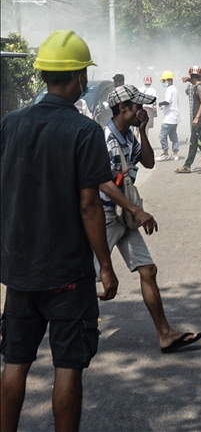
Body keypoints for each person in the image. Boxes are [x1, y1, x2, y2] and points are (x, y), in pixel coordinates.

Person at [0, 30, 118, 432]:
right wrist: (105, 264)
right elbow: (89, 205)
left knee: (15, 362)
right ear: (79, 77)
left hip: (19, 270)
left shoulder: (10, 124)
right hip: (66, 273)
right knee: (67, 365)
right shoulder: (85, 132)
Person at [97, 85, 201, 352]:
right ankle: (33, 318)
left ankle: (165, 334)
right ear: (124, 108)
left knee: (148, 270)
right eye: (137, 107)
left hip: (125, 217)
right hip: (107, 217)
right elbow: (104, 184)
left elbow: (148, 163)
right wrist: (138, 211)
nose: (142, 111)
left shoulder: (128, 137)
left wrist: (143, 132)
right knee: (82, 278)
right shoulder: (106, 139)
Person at [175, 66, 201, 174]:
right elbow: (195, 81)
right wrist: (189, 79)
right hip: (200, 118)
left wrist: (197, 117)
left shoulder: (199, 88)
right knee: (194, 142)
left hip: (200, 118)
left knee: (200, 142)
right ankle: (187, 165)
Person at [156, 70, 181, 161]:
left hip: (170, 117)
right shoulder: (174, 89)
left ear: (169, 80)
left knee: (162, 135)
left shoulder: (170, 89)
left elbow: (167, 101)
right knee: (173, 135)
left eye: (164, 81)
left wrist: (160, 103)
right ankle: (175, 153)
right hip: (175, 117)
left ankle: (165, 153)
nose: (163, 83)